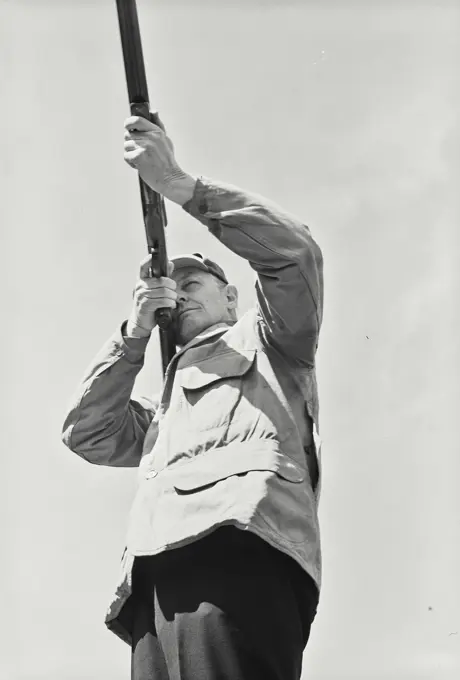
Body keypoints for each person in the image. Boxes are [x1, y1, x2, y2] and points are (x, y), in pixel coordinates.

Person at [62, 115, 324, 680]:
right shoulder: (167, 409)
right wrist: (132, 334)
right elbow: (88, 432)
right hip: (154, 583)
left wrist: (179, 185)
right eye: (168, 290)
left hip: (241, 549)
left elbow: (294, 254)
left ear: (232, 299)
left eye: (193, 286)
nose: (177, 296)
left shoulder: (272, 340)